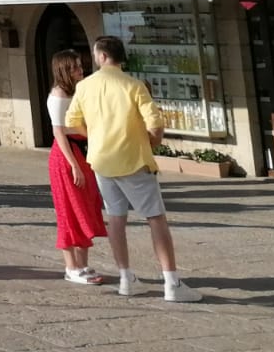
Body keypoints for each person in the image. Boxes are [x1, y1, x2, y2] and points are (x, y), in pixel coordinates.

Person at [65, 35, 201, 302]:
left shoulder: (85, 87)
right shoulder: (134, 86)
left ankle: (126, 278)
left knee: (116, 217)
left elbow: (73, 122)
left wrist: (94, 135)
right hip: (133, 159)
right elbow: (156, 125)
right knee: (155, 217)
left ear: (102, 56)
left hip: (102, 159)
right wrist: (149, 143)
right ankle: (171, 282)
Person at [47, 49, 107, 286]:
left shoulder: (79, 90)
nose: (80, 70)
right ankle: (72, 266)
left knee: (85, 206)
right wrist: (74, 165)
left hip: (82, 152)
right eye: (74, 67)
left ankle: (83, 264)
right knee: (69, 210)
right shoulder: (58, 95)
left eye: (80, 65)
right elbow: (58, 132)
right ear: (63, 70)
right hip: (66, 156)